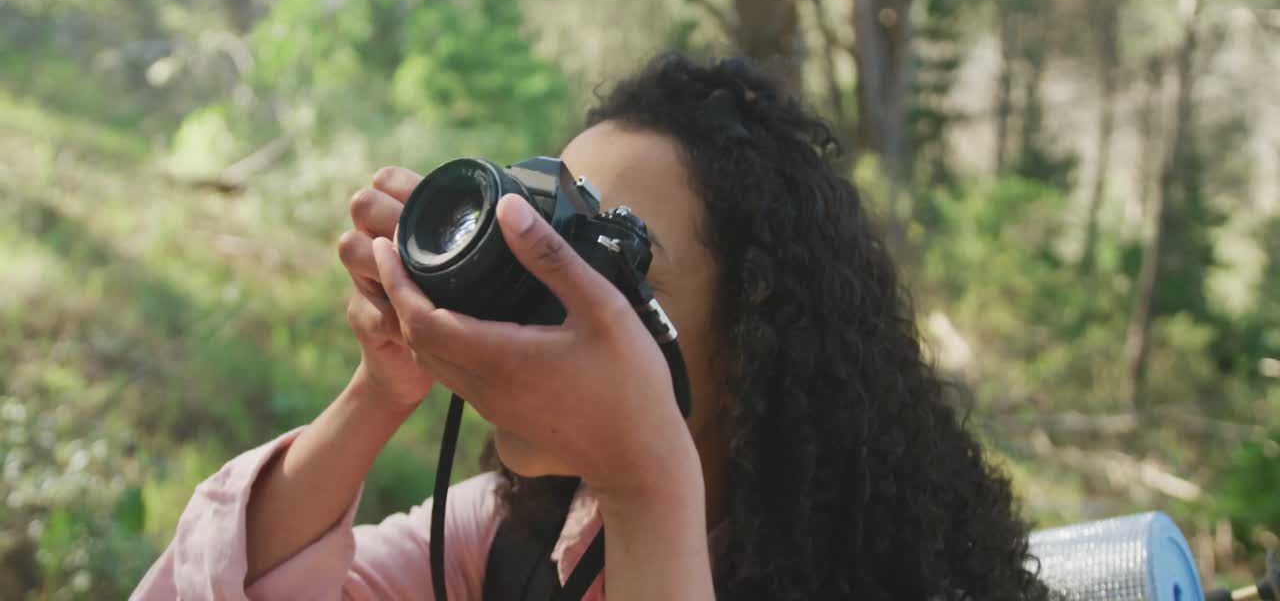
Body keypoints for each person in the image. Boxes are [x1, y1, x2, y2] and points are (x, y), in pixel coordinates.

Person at [132, 53, 1048, 600]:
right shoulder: (519, 541)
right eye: (549, 237)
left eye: (613, 263)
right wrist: (382, 386)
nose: (553, 294)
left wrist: (647, 483)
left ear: (762, 341)